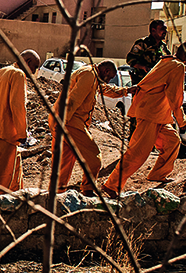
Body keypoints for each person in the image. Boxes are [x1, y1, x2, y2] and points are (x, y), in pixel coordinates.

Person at [102, 41, 186, 195]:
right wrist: (182, 121)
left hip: (158, 114)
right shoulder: (176, 66)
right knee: (137, 153)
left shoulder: (167, 61)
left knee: (172, 141)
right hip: (150, 113)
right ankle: (111, 185)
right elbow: (175, 97)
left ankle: (158, 174)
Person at [50, 59, 128, 193]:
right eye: (109, 77)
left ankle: (57, 193)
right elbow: (74, 99)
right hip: (70, 122)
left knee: (65, 161)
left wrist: (126, 90)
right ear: (106, 71)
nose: (108, 81)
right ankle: (87, 189)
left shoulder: (92, 75)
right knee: (94, 159)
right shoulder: (88, 75)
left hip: (63, 120)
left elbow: (105, 89)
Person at [0, 49, 41, 195]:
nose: (33, 73)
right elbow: (17, 106)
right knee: (3, 166)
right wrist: (22, 132)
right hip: (7, 128)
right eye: (34, 68)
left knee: (12, 162)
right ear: (27, 62)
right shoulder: (18, 74)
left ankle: (16, 192)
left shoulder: (3, 71)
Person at [125, 19, 169, 134]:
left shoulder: (163, 47)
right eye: (162, 29)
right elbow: (130, 60)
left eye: (165, 29)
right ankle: (133, 141)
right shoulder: (142, 43)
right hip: (142, 86)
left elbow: (170, 61)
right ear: (153, 30)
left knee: (153, 116)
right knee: (138, 115)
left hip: (156, 88)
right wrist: (144, 67)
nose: (165, 31)